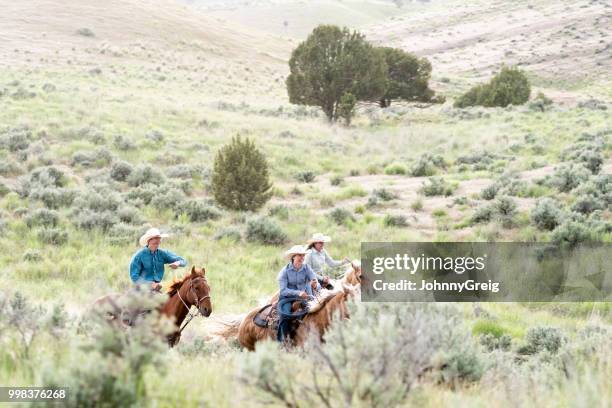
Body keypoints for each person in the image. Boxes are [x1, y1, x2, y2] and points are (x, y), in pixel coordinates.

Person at [277, 245, 319, 342]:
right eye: (299, 255)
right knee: (285, 316)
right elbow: (283, 290)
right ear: (293, 257)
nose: (302, 258)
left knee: (315, 312)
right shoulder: (284, 271)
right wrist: (298, 293)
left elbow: (314, 279)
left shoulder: (306, 268)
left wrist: (315, 284)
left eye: (303, 255)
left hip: (304, 298)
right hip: (287, 298)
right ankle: (281, 342)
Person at [129, 227, 186, 292]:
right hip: (141, 289)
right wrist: (150, 284)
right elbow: (134, 276)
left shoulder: (163, 253)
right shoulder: (139, 255)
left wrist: (178, 263)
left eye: (158, 241)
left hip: (156, 289)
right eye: (155, 242)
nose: (157, 244)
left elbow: (183, 261)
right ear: (149, 241)